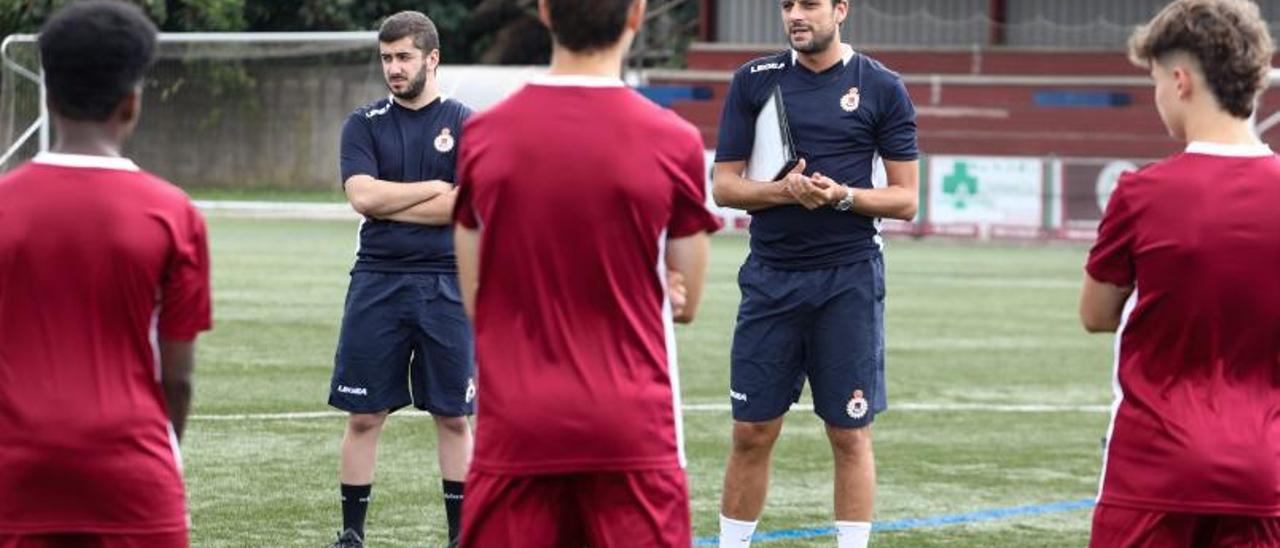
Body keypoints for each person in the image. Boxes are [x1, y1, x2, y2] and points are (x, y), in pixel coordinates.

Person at [451, 0, 721, 545]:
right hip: (632, 427)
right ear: (636, 16)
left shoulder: (483, 136)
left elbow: (479, 298)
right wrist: (653, 289)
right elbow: (686, 303)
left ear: (545, 13)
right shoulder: (674, 140)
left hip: (518, 426)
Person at [0, 2, 210, 547]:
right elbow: (178, 378)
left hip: (14, 473)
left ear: (47, 96)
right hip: (132, 470)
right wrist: (166, 454)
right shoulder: (174, 214)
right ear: (132, 102)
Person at [710, 0, 920, 546]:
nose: (795, 15)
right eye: (787, 5)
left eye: (809, 4)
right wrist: (783, 192)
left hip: (848, 280)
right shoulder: (753, 81)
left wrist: (843, 197)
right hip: (770, 278)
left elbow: (905, 199)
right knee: (752, 432)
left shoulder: (881, 86)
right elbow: (725, 186)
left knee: (849, 433)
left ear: (841, 10)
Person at [1080, 0, 1280, 545]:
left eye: (1154, 82)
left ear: (1180, 79)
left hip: (1153, 468)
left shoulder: (1141, 193)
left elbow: (1096, 315)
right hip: (1265, 473)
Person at [327, 11, 475, 548]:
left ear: (431, 58)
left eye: (403, 56)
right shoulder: (363, 123)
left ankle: (461, 536)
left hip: (447, 283)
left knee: (453, 416)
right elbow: (362, 197)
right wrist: (434, 187)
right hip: (378, 281)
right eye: (386, 57)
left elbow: (470, 208)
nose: (393, 67)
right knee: (364, 414)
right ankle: (351, 534)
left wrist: (395, 201)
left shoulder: (467, 124)